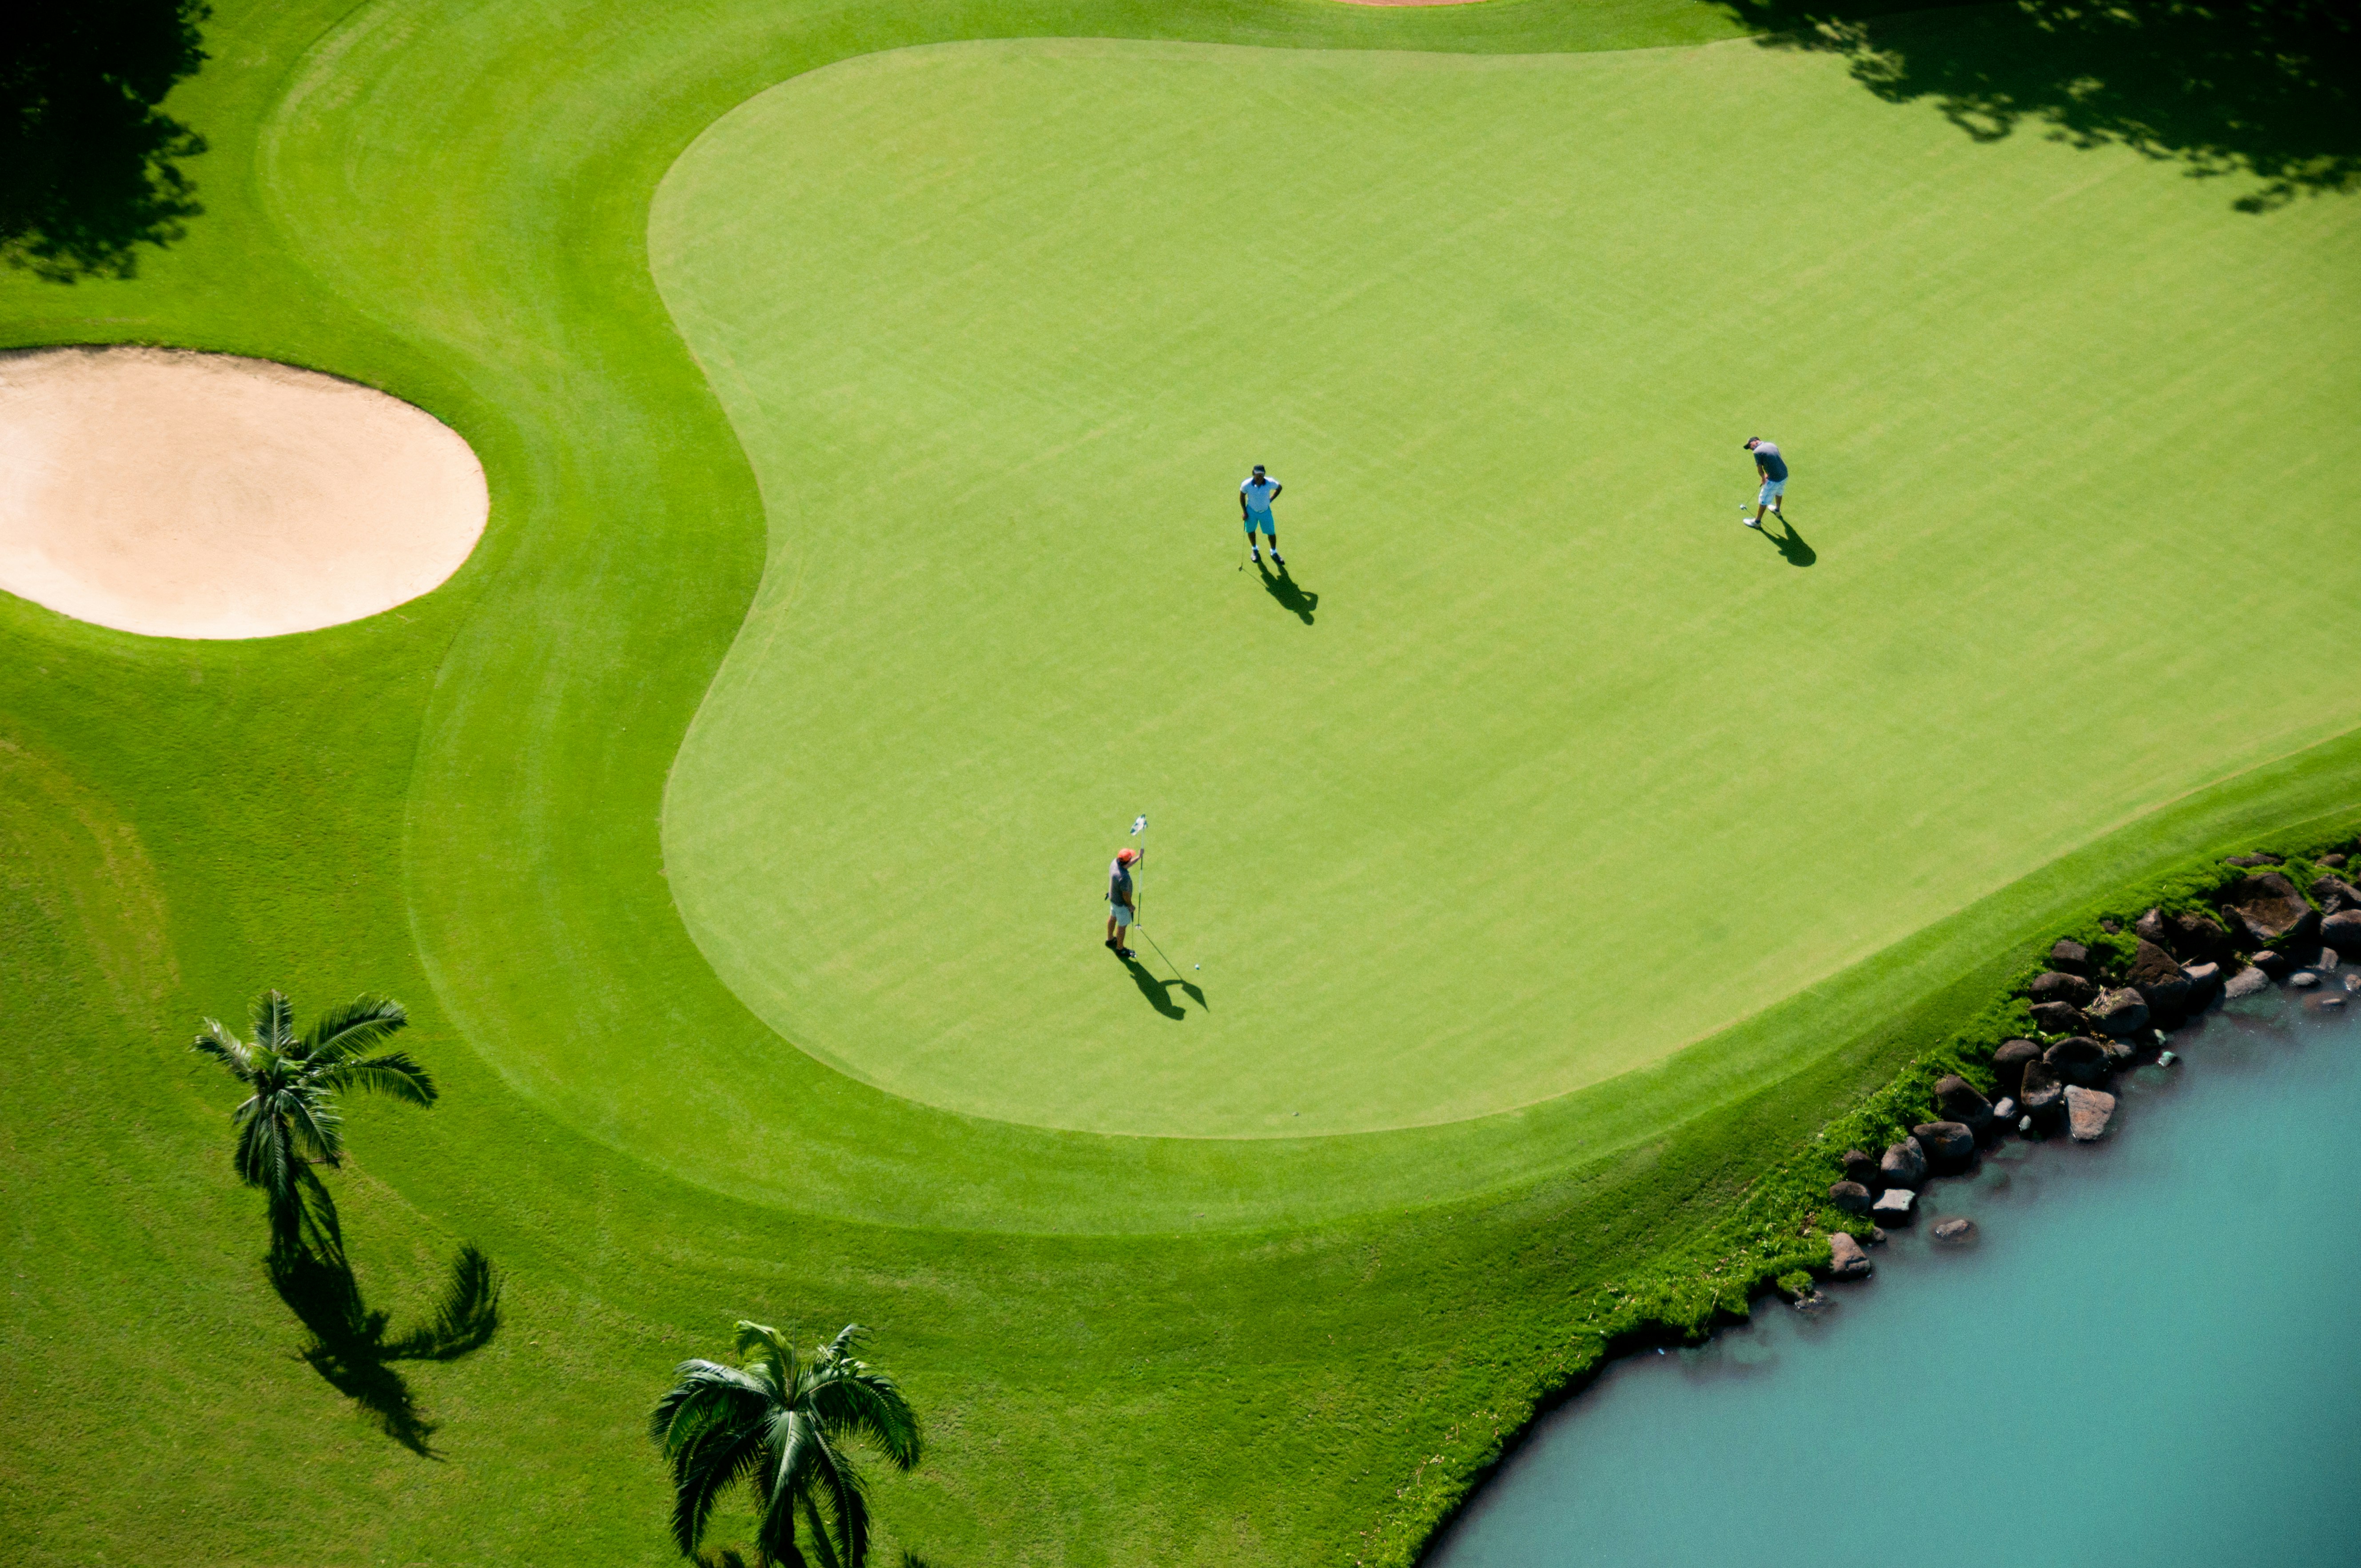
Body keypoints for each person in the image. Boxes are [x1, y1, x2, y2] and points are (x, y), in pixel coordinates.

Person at [1240, 464, 1284, 565]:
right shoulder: (1247, 484)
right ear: (1253, 474)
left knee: (1271, 533)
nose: (1259, 477)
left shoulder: (1270, 482)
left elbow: (1279, 488)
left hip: (1265, 512)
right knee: (1251, 531)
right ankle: (1255, 549)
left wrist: (1271, 499)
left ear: (1264, 475)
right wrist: (1245, 512)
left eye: (1262, 475)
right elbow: (1242, 496)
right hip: (1251, 512)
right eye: (1257, 474)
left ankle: (1274, 552)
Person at [1742, 437, 1788, 528]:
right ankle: (1777, 510)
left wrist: (1763, 478)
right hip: (1784, 474)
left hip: (1775, 479)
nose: (1751, 449)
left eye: (1750, 446)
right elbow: (1774, 461)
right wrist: (1768, 474)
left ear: (1755, 441)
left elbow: (1759, 468)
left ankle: (1757, 522)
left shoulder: (1757, 452)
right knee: (1779, 492)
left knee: (1763, 499)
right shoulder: (1771, 445)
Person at [1105, 846, 1140, 959]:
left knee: (1113, 916)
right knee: (1122, 926)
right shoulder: (1124, 877)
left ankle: (1110, 940)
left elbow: (1126, 865)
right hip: (1121, 904)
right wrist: (1130, 906)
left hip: (1113, 898)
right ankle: (1120, 949)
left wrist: (1139, 857)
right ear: (1127, 860)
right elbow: (1126, 894)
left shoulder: (1115, 863)